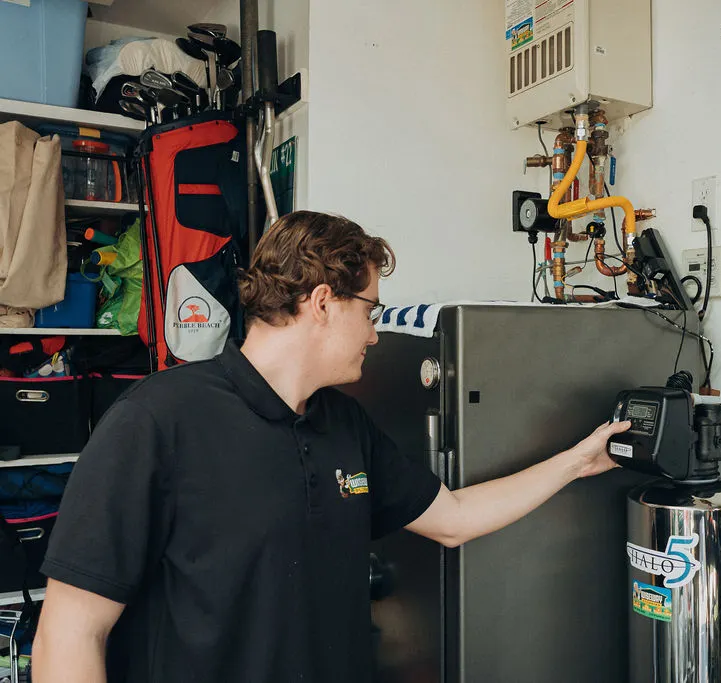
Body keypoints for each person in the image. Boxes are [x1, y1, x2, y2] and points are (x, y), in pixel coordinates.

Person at [31, 210, 631, 683]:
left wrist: (580, 460)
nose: (375, 331)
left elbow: (454, 518)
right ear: (322, 303)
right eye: (369, 310)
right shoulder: (157, 419)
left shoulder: (343, 423)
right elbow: (71, 630)